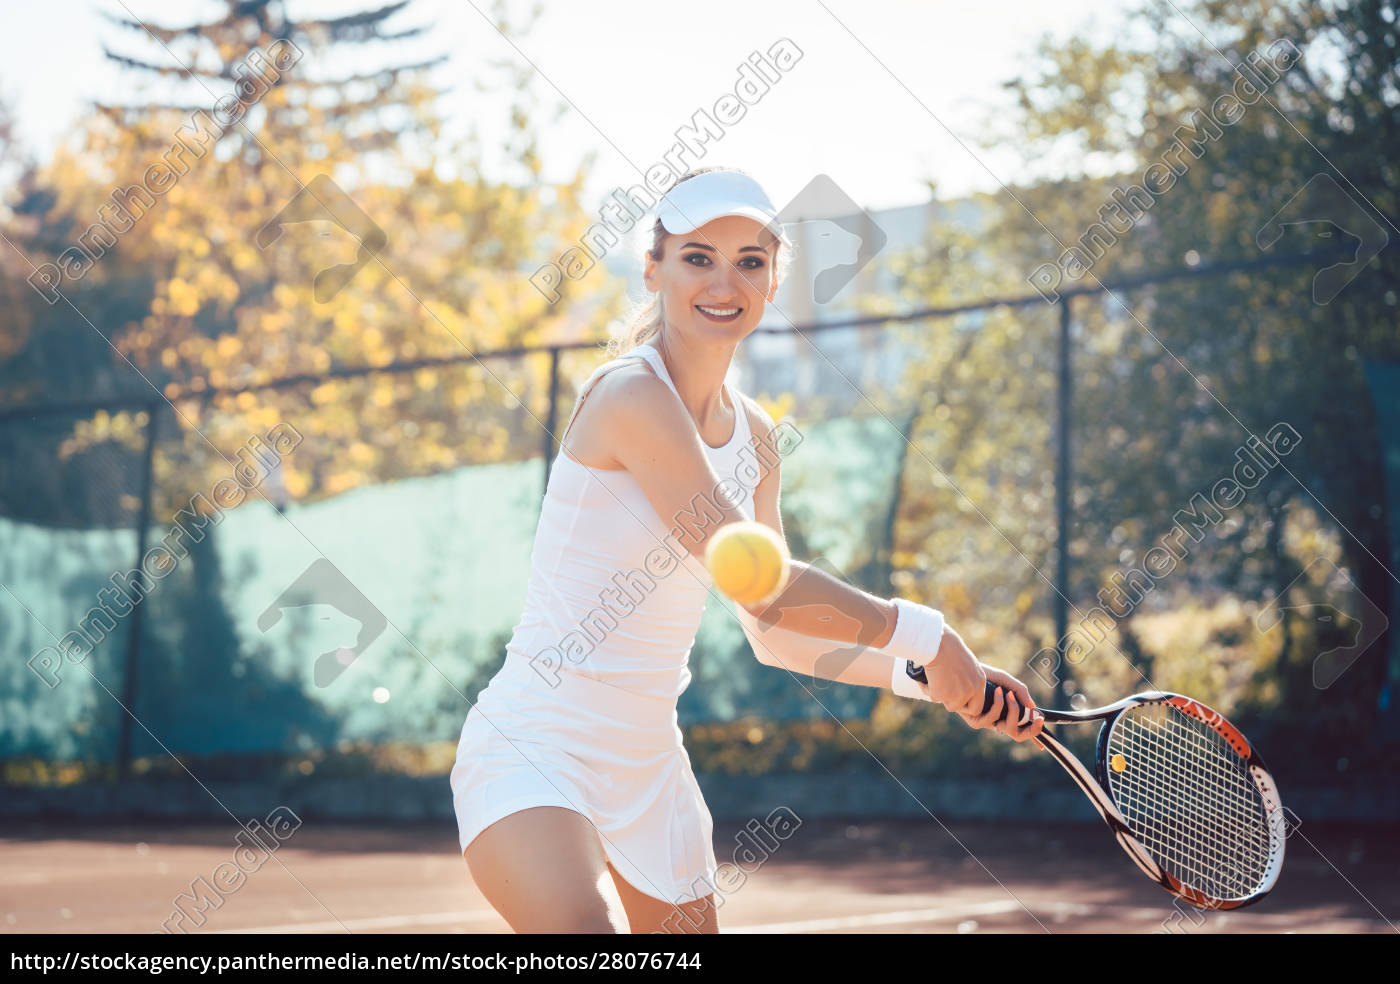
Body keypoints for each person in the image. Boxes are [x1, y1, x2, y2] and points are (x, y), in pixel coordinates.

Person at [449, 166, 1045, 934]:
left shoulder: (758, 438)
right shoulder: (628, 394)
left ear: (771, 283)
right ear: (655, 268)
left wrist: (925, 678)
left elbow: (774, 635)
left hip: (650, 764)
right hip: (535, 746)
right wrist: (931, 635)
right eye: (699, 256)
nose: (723, 282)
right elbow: (759, 583)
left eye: (750, 262)